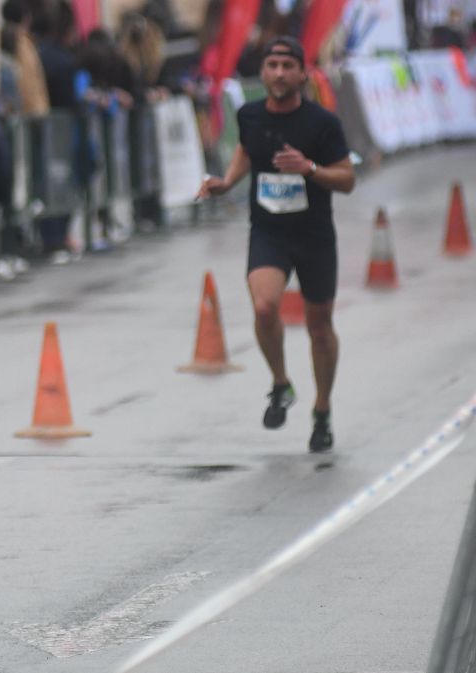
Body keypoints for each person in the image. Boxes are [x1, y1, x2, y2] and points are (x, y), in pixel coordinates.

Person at [197, 36, 355, 453]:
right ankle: (281, 384)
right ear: (263, 73)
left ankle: (322, 410)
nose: (280, 73)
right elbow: (248, 151)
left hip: (314, 236)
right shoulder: (248, 115)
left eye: (288, 65)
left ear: (303, 73)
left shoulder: (322, 123)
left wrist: (310, 168)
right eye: (273, 66)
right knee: (265, 306)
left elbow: (348, 179)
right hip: (269, 231)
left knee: (319, 327)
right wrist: (227, 182)